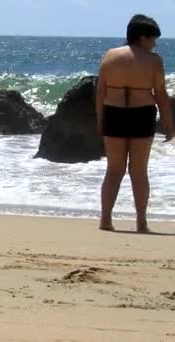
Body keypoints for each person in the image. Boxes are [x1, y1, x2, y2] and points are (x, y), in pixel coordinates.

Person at [96, 14, 174, 232]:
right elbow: (160, 94)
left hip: (113, 113)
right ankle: (141, 221)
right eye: (152, 39)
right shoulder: (153, 60)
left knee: (114, 169)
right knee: (139, 171)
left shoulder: (110, 55)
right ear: (142, 37)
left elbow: (100, 90)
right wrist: (168, 123)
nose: (155, 43)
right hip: (142, 114)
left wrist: (100, 118)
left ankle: (105, 220)